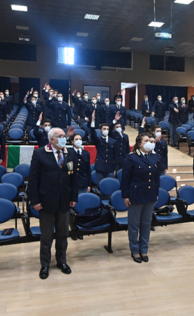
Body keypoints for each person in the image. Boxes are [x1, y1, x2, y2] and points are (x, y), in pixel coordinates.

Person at [27, 127, 77, 280]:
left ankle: (62, 261)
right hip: (46, 201)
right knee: (47, 236)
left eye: (64, 136)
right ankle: (45, 265)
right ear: (51, 139)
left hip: (64, 201)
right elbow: (33, 179)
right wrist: (34, 201)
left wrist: (74, 197)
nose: (64, 138)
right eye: (60, 136)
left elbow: (74, 177)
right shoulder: (40, 153)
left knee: (63, 234)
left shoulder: (70, 153)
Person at [121, 133, 160, 263]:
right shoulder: (131, 158)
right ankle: (135, 250)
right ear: (140, 144)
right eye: (147, 140)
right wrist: (125, 196)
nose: (150, 142)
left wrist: (156, 193)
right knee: (134, 224)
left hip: (150, 195)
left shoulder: (154, 156)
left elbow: (156, 177)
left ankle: (144, 249)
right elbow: (125, 179)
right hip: (135, 195)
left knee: (146, 223)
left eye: (151, 140)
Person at [88, 111, 118, 178]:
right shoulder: (98, 140)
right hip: (100, 168)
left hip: (110, 167)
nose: (106, 130)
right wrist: (92, 120)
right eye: (104, 129)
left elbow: (116, 156)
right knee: (100, 185)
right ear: (100, 130)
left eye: (107, 129)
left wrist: (115, 169)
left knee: (109, 186)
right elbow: (93, 133)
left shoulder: (113, 141)